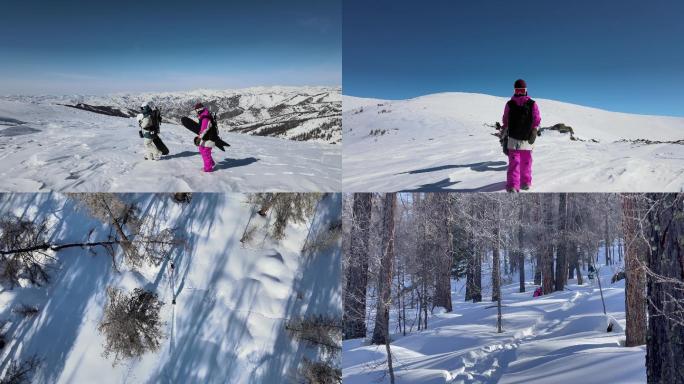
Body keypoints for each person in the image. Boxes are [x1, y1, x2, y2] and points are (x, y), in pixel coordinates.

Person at [501, 79, 541, 192]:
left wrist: (534, 130)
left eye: (522, 90)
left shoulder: (532, 104)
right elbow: (505, 119)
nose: (519, 93)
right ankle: (513, 185)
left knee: (526, 162)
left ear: (526, 91)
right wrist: (504, 130)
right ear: (514, 91)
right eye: (517, 91)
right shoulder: (510, 104)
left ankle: (525, 182)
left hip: (527, 139)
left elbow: (537, 119)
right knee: (514, 163)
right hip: (513, 138)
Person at [193, 103, 217, 172]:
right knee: (201, 149)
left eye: (196, 110)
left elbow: (204, 129)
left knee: (205, 152)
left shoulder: (205, 117)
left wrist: (199, 138)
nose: (196, 112)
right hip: (206, 137)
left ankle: (208, 168)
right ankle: (210, 163)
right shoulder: (203, 115)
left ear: (199, 110)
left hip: (210, 137)